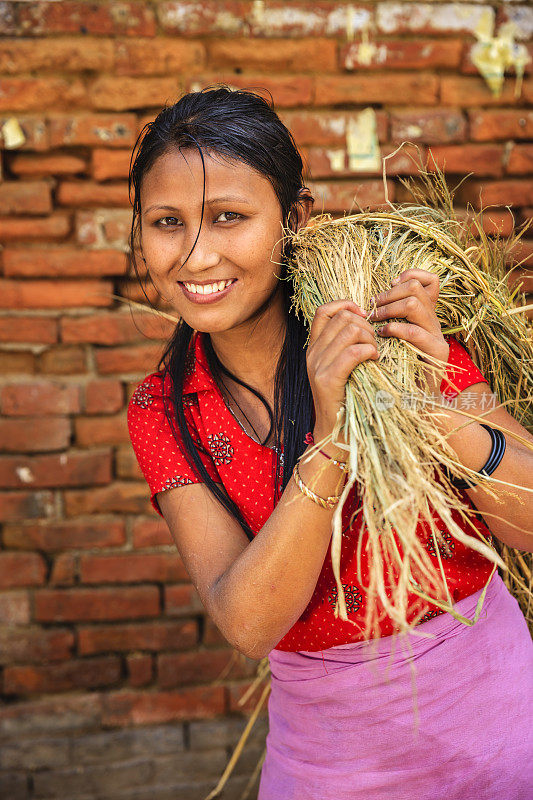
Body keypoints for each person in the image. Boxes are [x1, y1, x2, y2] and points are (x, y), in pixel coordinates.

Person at [127, 87, 533, 800]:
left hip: (497, 731)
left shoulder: (388, 320)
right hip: (329, 762)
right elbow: (249, 622)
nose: (195, 255)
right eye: (167, 222)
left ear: (293, 218)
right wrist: (334, 436)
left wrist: (428, 407)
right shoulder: (165, 409)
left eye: (228, 216)